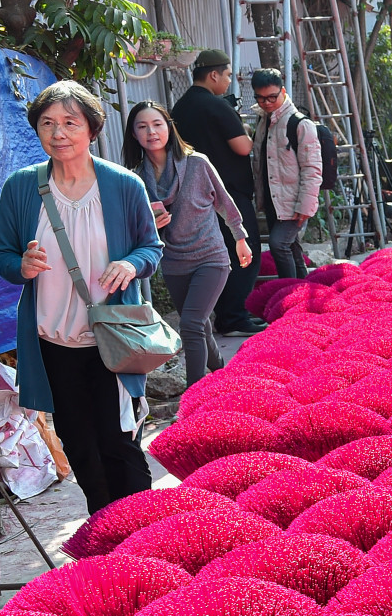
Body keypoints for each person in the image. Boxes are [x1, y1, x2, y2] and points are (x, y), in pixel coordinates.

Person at [0, 81, 161, 513]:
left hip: (113, 338)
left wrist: (130, 264)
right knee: (80, 445)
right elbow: (2, 255)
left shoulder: (123, 185)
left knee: (118, 441)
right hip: (53, 341)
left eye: (70, 122)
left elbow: (151, 247)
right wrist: (21, 266)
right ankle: (104, 535)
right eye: (48, 123)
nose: (59, 133)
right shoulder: (22, 187)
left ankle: (143, 536)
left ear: (92, 128)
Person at [123, 100, 252, 386]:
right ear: (133, 134)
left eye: (157, 124)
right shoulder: (135, 178)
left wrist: (240, 237)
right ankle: (222, 375)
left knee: (190, 325)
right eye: (142, 127)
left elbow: (224, 201)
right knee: (201, 325)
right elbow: (133, 227)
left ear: (169, 127)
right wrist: (150, 226)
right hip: (174, 262)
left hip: (211, 256)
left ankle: (194, 395)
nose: (151, 132)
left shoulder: (197, 163)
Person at [170, 49, 266, 335]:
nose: (227, 82)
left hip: (193, 195)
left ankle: (229, 314)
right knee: (244, 253)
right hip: (228, 193)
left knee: (215, 255)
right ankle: (234, 317)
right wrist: (247, 128)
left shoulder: (180, 107)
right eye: (226, 76)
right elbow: (243, 147)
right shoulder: (216, 105)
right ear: (213, 75)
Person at [248, 68, 321, 278]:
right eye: (260, 98)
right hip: (273, 200)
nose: (267, 102)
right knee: (292, 249)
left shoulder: (300, 123)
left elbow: (312, 168)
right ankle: (301, 291)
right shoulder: (263, 120)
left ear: (283, 91)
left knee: (278, 245)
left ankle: (288, 294)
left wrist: (306, 205)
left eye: (272, 97)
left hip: (294, 201)